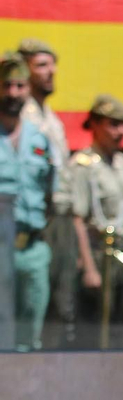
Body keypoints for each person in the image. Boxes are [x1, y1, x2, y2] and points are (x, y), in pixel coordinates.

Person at [65, 95, 123, 344]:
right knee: (98, 330)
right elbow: (77, 219)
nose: (120, 131)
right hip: (100, 251)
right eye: (113, 124)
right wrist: (89, 267)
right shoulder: (83, 165)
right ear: (95, 125)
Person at [17, 39, 75, 349]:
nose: (51, 72)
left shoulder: (48, 115)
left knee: (60, 300)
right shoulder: (19, 116)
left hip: (58, 218)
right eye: (41, 65)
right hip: (33, 219)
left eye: (52, 64)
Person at [1, 52, 57, 351]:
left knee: (30, 332)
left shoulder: (39, 138)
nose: (13, 93)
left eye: (20, 86)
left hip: (31, 246)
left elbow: (50, 192)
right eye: (6, 85)